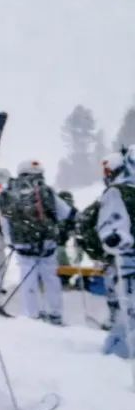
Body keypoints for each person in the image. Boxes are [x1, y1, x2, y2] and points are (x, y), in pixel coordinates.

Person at [0, 160, 75, 325]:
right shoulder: (46, 191)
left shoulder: (7, 193)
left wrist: (10, 241)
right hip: (46, 242)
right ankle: (55, 313)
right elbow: (65, 213)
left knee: (28, 279)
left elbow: (5, 221)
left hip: (22, 243)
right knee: (51, 279)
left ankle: (31, 315)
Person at [77, 153, 126, 356]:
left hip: (113, 259)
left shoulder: (110, 196)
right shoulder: (122, 193)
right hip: (122, 259)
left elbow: (84, 223)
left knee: (118, 299)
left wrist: (100, 253)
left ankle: (118, 342)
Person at [97, 148, 135, 361]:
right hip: (129, 265)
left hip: (128, 263)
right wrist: (116, 237)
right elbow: (113, 227)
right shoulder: (119, 192)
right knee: (130, 313)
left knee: (127, 314)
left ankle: (116, 353)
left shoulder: (119, 191)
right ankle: (119, 355)